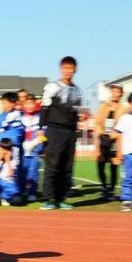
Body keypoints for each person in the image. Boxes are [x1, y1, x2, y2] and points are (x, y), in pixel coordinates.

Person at [39, 56, 82, 211]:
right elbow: (44, 108)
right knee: (52, 164)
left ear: (75, 70)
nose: (68, 71)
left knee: (67, 166)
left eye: (71, 68)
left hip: (70, 132)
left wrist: (79, 123)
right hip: (54, 129)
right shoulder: (52, 87)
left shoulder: (77, 90)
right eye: (65, 68)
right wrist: (41, 129)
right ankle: (47, 199)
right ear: (61, 69)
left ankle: (61, 198)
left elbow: (77, 112)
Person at [94, 84, 125, 200]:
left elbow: (123, 126)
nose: (115, 94)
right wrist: (100, 133)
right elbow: (97, 122)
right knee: (100, 164)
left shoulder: (123, 109)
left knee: (113, 166)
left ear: (121, 94)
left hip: (115, 140)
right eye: (113, 91)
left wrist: (115, 135)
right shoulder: (103, 106)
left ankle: (111, 190)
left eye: (117, 92)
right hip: (102, 139)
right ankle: (104, 187)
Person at [20, 95, 45, 201]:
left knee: (33, 171)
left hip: (35, 150)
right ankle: (22, 191)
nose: (29, 106)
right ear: (23, 105)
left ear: (35, 105)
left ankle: (32, 193)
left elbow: (44, 134)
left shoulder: (40, 118)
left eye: (31, 104)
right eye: (27, 104)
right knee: (22, 171)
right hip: (22, 150)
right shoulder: (20, 117)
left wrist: (35, 143)